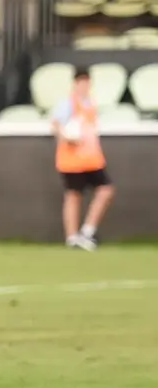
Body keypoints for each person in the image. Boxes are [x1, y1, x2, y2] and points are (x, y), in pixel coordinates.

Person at [51, 66, 113, 250]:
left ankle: (87, 231)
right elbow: (56, 125)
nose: (84, 86)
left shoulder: (91, 104)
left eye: (87, 82)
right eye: (81, 82)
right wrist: (67, 138)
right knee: (73, 195)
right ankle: (72, 237)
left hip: (91, 159)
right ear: (75, 83)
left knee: (105, 190)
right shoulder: (68, 104)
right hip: (72, 160)